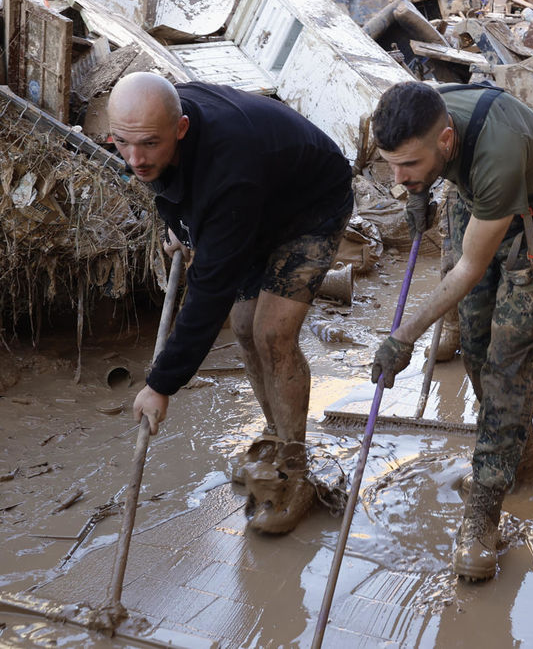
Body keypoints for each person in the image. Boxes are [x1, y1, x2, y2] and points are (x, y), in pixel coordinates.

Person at [109, 72, 353, 535]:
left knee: (272, 333)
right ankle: (274, 441)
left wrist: (162, 384)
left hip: (311, 206)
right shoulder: (150, 132)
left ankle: (294, 470)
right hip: (256, 208)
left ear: (180, 129)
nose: (134, 157)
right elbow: (160, 179)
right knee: (244, 328)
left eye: (148, 144)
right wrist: (179, 226)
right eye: (122, 143)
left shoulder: (229, 170)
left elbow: (208, 294)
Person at [368, 81, 533, 581]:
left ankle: (483, 512)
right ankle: (519, 457)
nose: (397, 178)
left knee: (507, 352)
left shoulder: (498, 152)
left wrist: (404, 336)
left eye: (409, 167)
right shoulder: (423, 119)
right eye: (390, 166)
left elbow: (466, 270)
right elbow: (465, 281)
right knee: (475, 339)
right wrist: (415, 193)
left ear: (445, 142)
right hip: (474, 193)